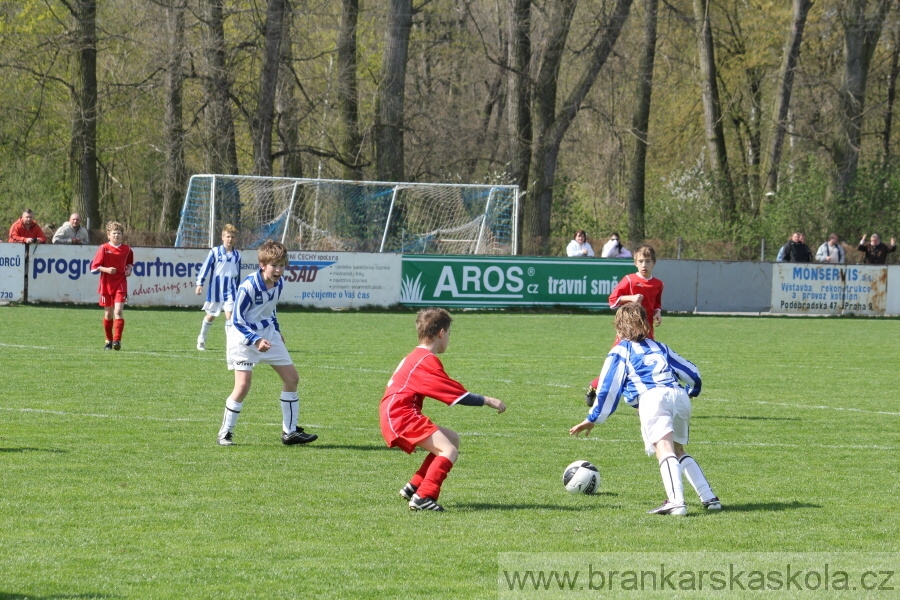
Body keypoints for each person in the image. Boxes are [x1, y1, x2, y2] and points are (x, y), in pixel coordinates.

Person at [569, 303, 720, 516]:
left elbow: (607, 389)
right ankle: (709, 498)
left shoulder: (621, 351)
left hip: (653, 398)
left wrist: (593, 418)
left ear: (619, 327)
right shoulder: (660, 347)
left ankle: (676, 502)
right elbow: (693, 372)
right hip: (678, 395)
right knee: (679, 451)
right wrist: (692, 391)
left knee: (664, 449)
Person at [380, 308, 506, 512]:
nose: (448, 338)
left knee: (451, 439)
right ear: (441, 333)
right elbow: (454, 393)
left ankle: (414, 486)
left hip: (396, 413)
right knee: (449, 451)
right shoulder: (425, 360)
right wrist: (488, 400)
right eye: (449, 333)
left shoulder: (416, 356)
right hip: (400, 415)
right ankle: (423, 497)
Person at [216, 240, 318, 447]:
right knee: (242, 386)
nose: (279, 270)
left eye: (282, 265)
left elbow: (271, 310)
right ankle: (225, 434)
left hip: (268, 334)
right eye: (274, 265)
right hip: (244, 339)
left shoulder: (279, 283)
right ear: (263, 265)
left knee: (292, 378)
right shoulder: (248, 286)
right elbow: (237, 320)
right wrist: (255, 340)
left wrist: (277, 331)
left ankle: (289, 432)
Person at [195, 224, 242, 351]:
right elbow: (205, 267)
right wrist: (199, 283)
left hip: (231, 290)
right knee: (210, 316)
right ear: (222, 237)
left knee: (230, 316)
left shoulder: (237, 255)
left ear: (235, 239)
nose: (230, 239)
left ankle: (230, 345)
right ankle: (201, 339)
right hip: (215, 291)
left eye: (232, 237)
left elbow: (237, 274)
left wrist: (239, 290)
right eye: (228, 236)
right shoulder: (215, 252)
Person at [90, 221, 134, 351]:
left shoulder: (127, 249)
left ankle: (117, 340)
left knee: (118, 311)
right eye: (114, 233)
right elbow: (94, 268)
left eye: (119, 233)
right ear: (108, 235)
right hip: (106, 285)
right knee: (108, 314)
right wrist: (106, 270)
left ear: (122, 235)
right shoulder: (104, 248)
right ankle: (108, 340)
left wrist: (129, 269)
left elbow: (130, 263)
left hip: (120, 284)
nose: (116, 235)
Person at [608, 245, 663, 341]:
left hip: (647, 329)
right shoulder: (629, 280)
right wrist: (631, 298)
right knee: (622, 350)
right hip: (628, 329)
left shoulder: (658, 284)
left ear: (654, 263)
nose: (644, 265)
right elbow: (612, 300)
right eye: (640, 261)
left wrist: (657, 311)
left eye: (648, 261)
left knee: (649, 350)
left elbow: (656, 303)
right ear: (635, 263)